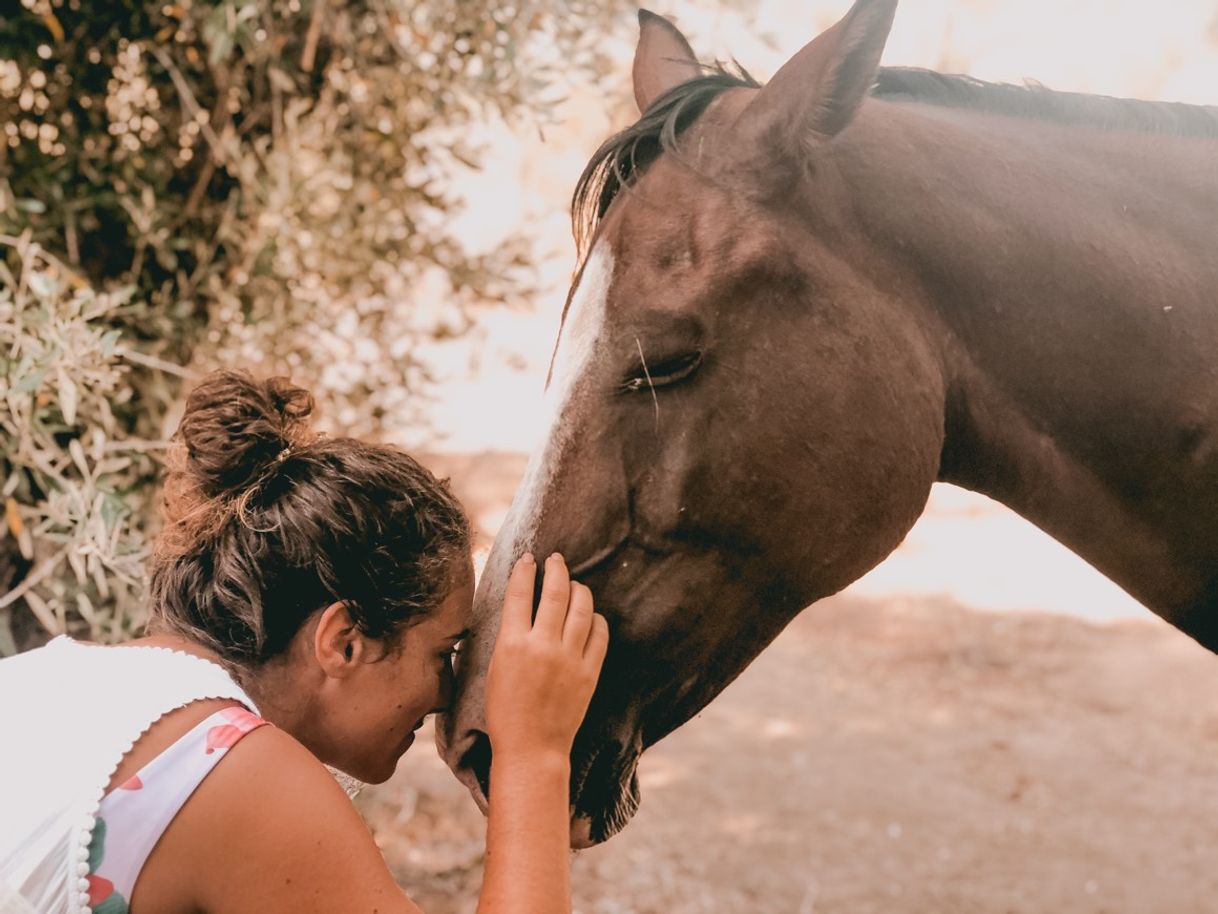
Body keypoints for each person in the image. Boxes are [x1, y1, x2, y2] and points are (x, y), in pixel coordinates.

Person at [0, 370, 608, 914]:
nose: (448, 694)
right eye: (441, 654)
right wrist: (536, 755)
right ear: (343, 642)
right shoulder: (235, 775)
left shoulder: (47, 679)